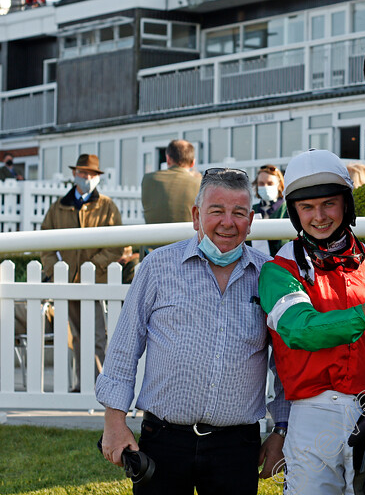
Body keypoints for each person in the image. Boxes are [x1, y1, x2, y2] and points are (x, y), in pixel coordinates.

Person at [95, 167, 287, 495]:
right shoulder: (157, 268)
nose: (228, 222)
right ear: (196, 215)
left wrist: (281, 428)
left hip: (237, 446)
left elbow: (284, 361)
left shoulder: (269, 276)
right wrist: (114, 422)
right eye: (216, 211)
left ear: (251, 220)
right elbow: (126, 346)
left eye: (238, 213)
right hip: (163, 440)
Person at [258, 149, 365, 495]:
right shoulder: (278, 270)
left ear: (346, 205)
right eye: (307, 207)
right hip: (313, 416)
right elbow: (302, 330)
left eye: (329, 204)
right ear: (294, 212)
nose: (319, 216)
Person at [41, 154, 122, 392]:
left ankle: (100, 384)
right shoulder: (58, 206)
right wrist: (54, 271)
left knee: (97, 334)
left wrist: (94, 267)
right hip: (68, 282)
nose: (86, 178)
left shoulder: (107, 206)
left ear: (97, 178)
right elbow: (45, 241)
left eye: (91, 174)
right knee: (75, 336)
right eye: (82, 173)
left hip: (96, 282)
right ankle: (81, 384)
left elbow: (117, 244)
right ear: (74, 174)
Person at [140, 140, 201, 225]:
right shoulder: (200, 183)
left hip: (154, 236)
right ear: (192, 163)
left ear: (168, 159)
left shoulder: (148, 179)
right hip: (187, 236)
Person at [249, 163, 287, 256]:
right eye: (261, 183)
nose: (265, 187)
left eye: (270, 183)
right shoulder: (250, 210)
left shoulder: (288, 209)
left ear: (279, 185)